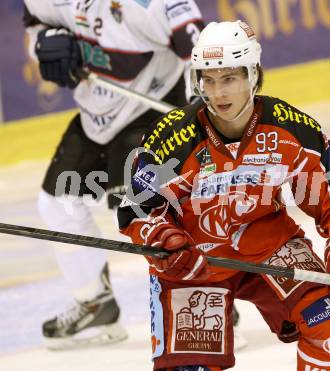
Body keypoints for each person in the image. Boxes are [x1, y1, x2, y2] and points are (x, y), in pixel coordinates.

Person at [118, 19, 330, 370]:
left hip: (269, 245)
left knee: (327, 324)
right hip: (193, 261)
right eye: (208, 81)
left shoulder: (291, 127)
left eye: (229, 79)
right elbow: (134, 209)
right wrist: (162, 239)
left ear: (253, 75)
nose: (218, 93)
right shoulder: (172, 138)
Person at [22, 0, 206, 350]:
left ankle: (206, 306)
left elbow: (199, 49)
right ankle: (96, 304)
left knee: (147, 215)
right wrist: (44, 42)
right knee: (56, 203)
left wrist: (199, 106)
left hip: (151, 110)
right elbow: (34, 26)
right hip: (97, 115)